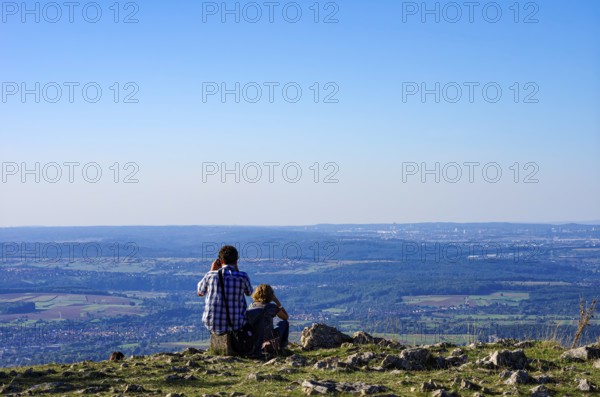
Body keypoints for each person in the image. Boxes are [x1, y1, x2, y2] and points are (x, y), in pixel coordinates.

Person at [197, 246, 253, 336]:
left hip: (212, 324)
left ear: (220, 260)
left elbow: (200, 292)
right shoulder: (242, 276)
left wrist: (212, 269)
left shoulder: (210, 275)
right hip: (236, 324)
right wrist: (236, 269)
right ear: (236, 260)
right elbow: (249, 293)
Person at [246, 284, 289, 354]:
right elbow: (285, 317)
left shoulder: (251, 306)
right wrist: (277, 302)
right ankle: (282, 348)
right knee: (284, 323)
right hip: (269, 337)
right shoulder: (271, 307)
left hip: (254, 337)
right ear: (270, 295)